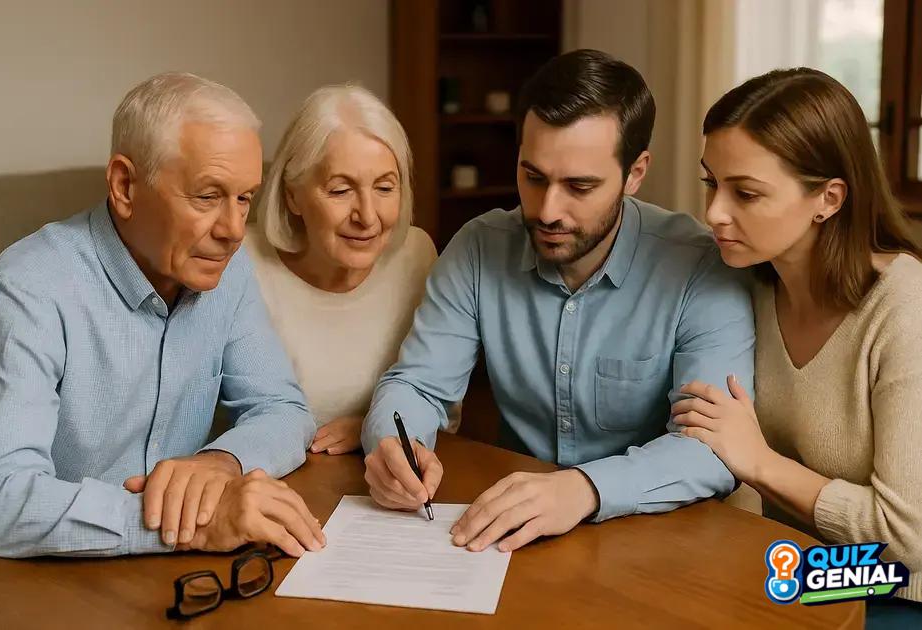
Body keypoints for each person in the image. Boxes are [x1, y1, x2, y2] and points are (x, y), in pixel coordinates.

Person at [361, 49, 755, 552]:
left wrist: (586, 489)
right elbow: (417, 384)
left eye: (579, 186)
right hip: (513, 537)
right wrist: (394, 446)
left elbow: (713, 451)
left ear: (636, 173)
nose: (547, 210)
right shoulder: (479, 247)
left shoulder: (700, 268)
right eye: (534, 177)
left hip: (655, 540)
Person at [0, 72, 325, 558]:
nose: (233, 230)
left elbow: (284, 410)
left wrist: (220, 463)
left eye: (244, 197)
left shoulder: (229, 268)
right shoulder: (27, 288)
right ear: (124, 186)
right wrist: (186, 525)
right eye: (207, 196)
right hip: (52, 587)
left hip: (182, 581)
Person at [674, 68, 922, 624]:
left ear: (828, 199)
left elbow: (905, 538)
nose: (715, 212)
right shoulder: (743, 281)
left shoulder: (906, 310)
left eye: (746, 193)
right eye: (712, 183)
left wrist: (761, 463)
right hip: (784, 571)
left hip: (895, 591)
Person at [247, 85, 437, 455]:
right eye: (339, 191)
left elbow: (441, 401)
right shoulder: (242, 261)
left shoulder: (417, 254)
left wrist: (375, 428)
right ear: (292, 195)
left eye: (384, 188)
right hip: (263, 483)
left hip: (374, 484)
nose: (367, 216)